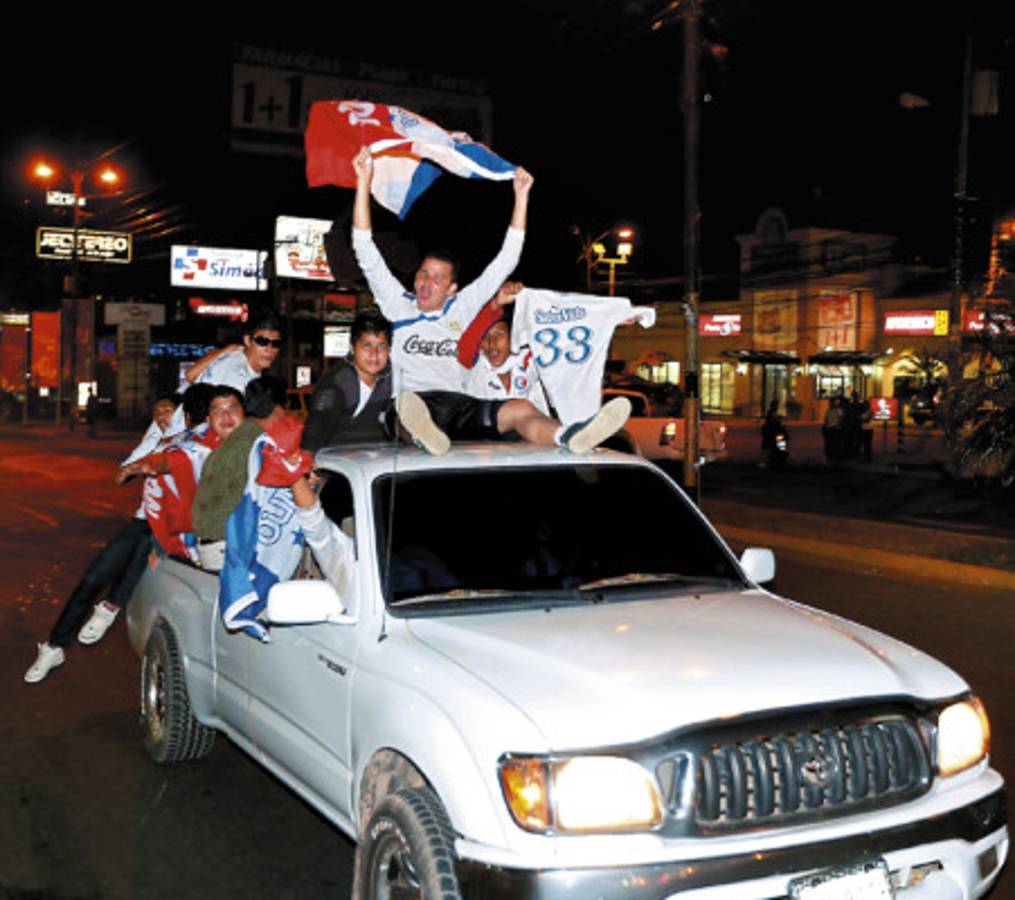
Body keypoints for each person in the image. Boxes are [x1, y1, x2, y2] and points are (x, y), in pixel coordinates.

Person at [351, 147, 629, 454]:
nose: (426, 282)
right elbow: (364, 248)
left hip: (457, 406)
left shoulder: (462, 306)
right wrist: (363, 181)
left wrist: (521, 196)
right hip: (410, 403)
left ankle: (569, 435)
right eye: (423, 274)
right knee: (404, 409)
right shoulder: (397, 304)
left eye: (437, 278)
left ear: (452, 288)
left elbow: (505, 261)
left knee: (521, 409)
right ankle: (422, 435)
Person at [24, 394, 184, 684]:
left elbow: (169, 466)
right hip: (143, 519)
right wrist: (132, 465)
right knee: (94, 576)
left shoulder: (192, 441)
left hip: (170, 525)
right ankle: (55, 646)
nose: (162, 417)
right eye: (157, 412)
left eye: (168, 411)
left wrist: (145, 464)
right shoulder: (155, 438)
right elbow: (120, 475)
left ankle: (110, 607)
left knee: (143, 550)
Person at [303, 311, 393, 450]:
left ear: (389, 350)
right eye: (367, 345)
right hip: (338, 458)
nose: (374, 354)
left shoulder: (392, 378)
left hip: (380, 457)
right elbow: (313, 435)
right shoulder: (335, 385)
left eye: (381, 346)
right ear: (352, 348)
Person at [184, 312, 283, 393]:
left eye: (276, 343)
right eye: (262, 341)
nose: (269, 349)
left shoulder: (234, 354)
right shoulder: (237, 376)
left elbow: (190, 374)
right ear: (247, 340)